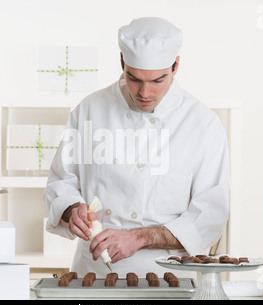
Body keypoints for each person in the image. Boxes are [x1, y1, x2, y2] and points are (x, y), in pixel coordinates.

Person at [43, 17, 229, 278]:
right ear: (122, 62)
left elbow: (210, 215)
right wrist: (72, 211)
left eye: (157, 80)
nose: (144, 92)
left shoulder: (203, 125)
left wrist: (138, 239)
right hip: (93, 274)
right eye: (134, 78)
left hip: (168, 277)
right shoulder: (89, 110)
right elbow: (60, 184)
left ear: (175, 66)